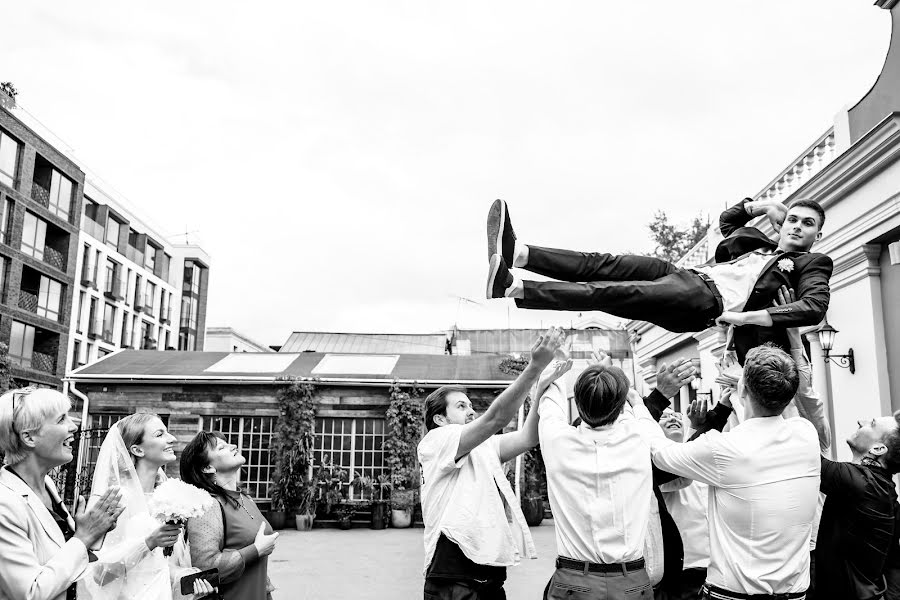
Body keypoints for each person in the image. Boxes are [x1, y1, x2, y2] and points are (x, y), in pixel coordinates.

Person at [484, 197, 833, 364]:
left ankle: (514, 287)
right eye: (794, 219)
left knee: (613, 294)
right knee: (607, 264)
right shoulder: (759, 243)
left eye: (807, 224)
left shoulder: (813, 262)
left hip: (705, 300)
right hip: (687, 276)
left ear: (816, 234)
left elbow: (814, 307)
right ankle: (520, 254)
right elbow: (728, 221)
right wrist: (765, 206)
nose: (797, 226)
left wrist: (744, 318)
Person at [649, 345, 821, 599]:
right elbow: (759, 421)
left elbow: (659, 454)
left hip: (732, 596)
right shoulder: (805, 433)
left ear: (742, 390)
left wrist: (650, 403)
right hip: (795, 595)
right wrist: (738, 392)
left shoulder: (723, 448)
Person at [418, 327, 567, 600]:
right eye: (461, 406)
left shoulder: (480, 447)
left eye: (470, 405)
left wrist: (541, 387)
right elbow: (495, 419)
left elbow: (528, 437)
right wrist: (534, 367)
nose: (471, 410)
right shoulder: (437, 441)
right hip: (453, 574)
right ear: (440, 418)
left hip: (487, 576)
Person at [0, 387, 123, 600]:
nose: (74, 427)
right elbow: (30, 593)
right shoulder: (5, 503)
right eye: (61, 420)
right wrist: (83, 537)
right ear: (29, 437)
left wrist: (93, 534)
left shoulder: (47, 484)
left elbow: (62, 560)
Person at [79, 413, 216, 600]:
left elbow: (159, 567)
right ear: (137, 450)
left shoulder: (166, 498)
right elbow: (100, 575)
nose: (172, 439)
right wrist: (148, 543)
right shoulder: (116, 499)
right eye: (160, 434)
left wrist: (187, 579)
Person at [181, 431, 278, 600]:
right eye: (222, 447)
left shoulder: (246, 498)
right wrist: (256, 550)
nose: (233, 445)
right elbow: (205, 567)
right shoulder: (208, 505)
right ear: (207, 467)